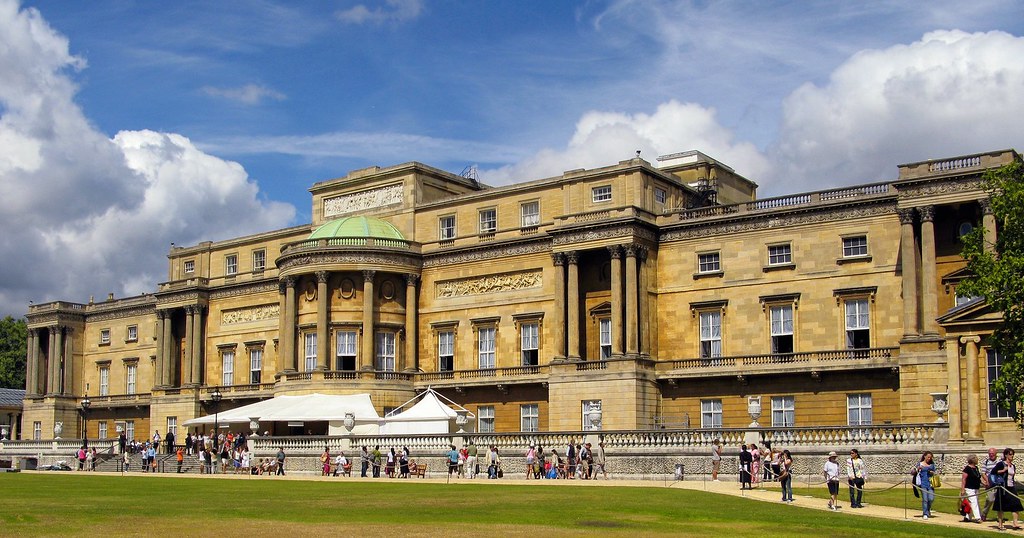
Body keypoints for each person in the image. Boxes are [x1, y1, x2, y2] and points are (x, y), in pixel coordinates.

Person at [992, 447, 1023, 530]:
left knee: (1016, 504)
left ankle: (1015, 523)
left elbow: (1012, 476)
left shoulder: (1013, 466)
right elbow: (993, 472)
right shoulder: (1001, 464)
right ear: (1006, 455)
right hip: (1002, 487)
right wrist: (1003, 470)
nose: (1012, 456)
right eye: (1010, 454)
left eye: (1012, 454)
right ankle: (1000, 524)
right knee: (1001, 506)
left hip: (1011, 487)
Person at [961, 454, 983, 523]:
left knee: (972, 503)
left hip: (976, 487)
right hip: (969, 488)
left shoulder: (976, 468)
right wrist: (962, 489)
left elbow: (978, 477)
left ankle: (968, 517)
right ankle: (978, 517)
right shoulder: (967, 469)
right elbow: (964, 479)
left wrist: (984, 483)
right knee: (974, 502)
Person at [916, 451, 936, 520]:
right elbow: (913, 472)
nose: (929, 459)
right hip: (922, 484)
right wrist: (918, 469)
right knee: (925, 499)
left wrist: (932, 472)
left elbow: (935, 473)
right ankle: (925, 513)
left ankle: (928, 509)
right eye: (928, 457)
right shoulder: (920, 464)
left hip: (930, 484)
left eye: (930, 457)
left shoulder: (932, 465)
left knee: (931, 498)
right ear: (924, 456)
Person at [982, 447, 1000, 522]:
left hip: (999, 483)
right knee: (990, 499)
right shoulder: (986, 462)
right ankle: (984, 513)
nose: (991, 455)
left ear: (996, 453)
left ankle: (1000, 517)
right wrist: (987, 481)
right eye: (989, 454)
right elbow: (983, 473)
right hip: (990, 484)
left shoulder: (1000, 461)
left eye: (992, 453)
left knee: (999, 500)